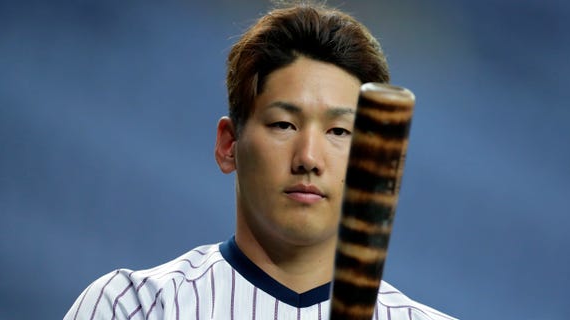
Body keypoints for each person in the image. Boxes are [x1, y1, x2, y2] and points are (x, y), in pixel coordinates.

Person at [64, 2, 456, 319]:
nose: (308, 158)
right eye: (284, 124)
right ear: (228, 144)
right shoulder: (133, 308)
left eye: (338, 132)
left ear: (376, 162)